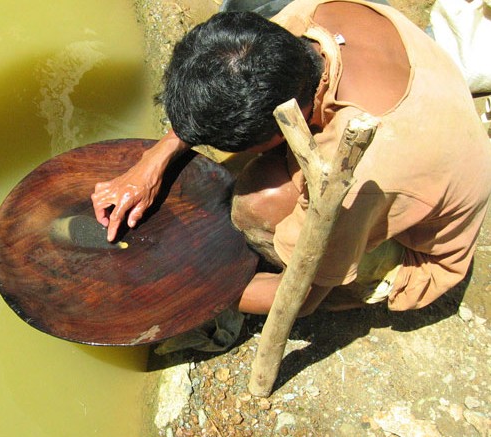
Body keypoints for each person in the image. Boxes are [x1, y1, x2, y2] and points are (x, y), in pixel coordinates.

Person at [91, 0, 491, 318]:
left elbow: (299, 297)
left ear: (283, 128)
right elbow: (236, 77)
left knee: (256, 205)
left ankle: (374, 281)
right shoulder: (314, 20)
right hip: (428, 124)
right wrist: (150, 164)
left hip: (420, 252)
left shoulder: (359, 167)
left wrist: (180, 291)